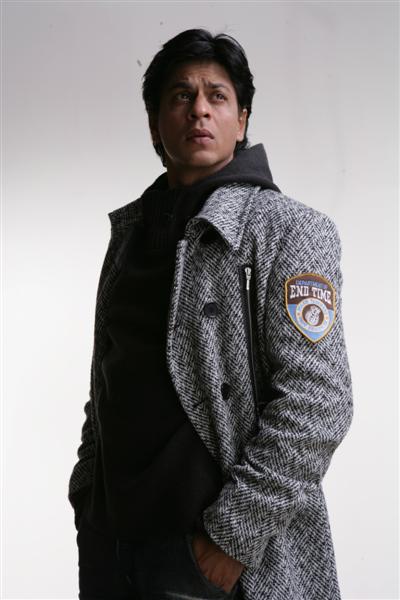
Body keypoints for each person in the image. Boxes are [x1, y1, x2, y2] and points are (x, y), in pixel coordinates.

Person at [68, 28, 353, 600]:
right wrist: (86, 489)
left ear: (241, 120)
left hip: (209, 555)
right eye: (181, 95)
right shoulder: (129, 235)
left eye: (217, 96)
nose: (199, 109)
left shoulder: (289, 229)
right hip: (110, 543)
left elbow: (319, 403)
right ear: (154, 125)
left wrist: (230, 541)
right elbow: (108, 378)